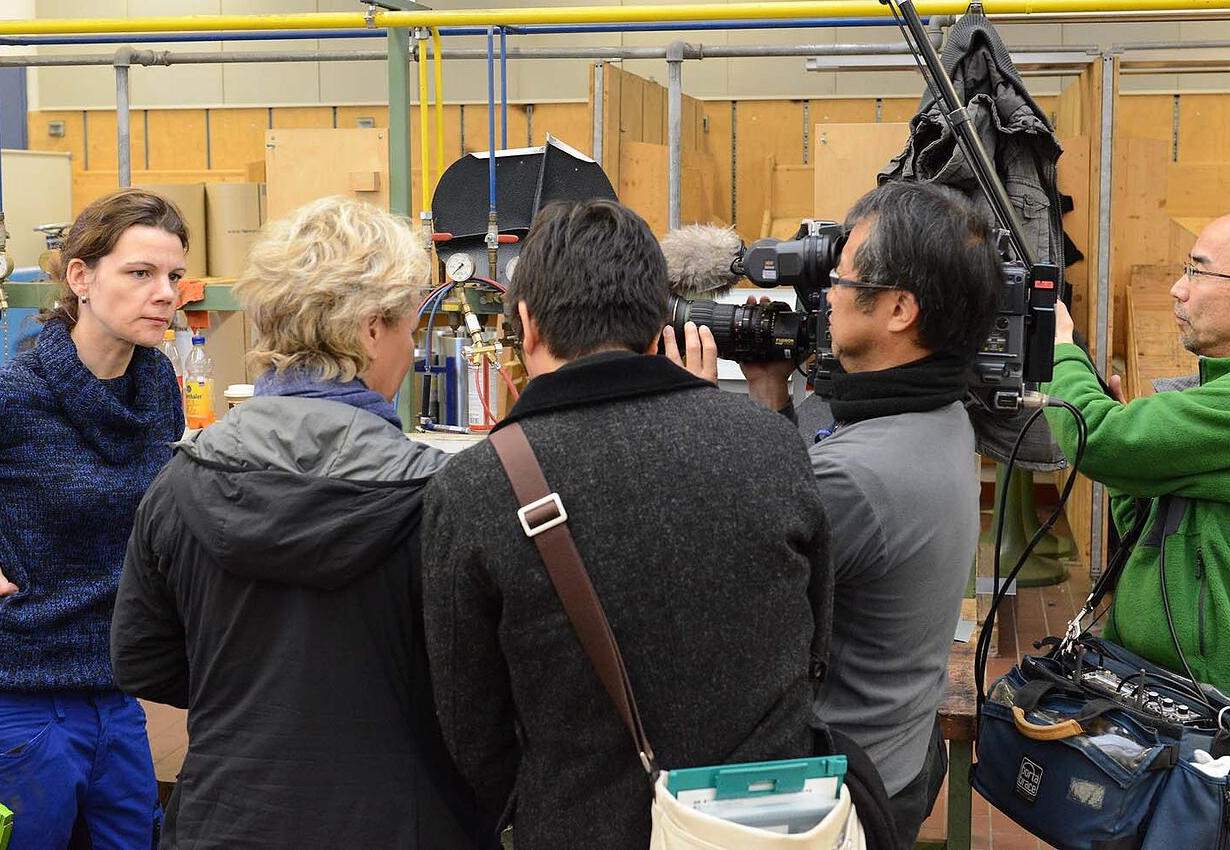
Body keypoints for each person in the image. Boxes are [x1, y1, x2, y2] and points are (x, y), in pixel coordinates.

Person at [421, 198, 832, 849]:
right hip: (754, 831)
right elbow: (815, 647)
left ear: (525, 324)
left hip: (578, 827)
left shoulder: (473, 489)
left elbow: (469, 730)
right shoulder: (774, 445)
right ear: (657, 325)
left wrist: (551, 802)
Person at [112, 197, 493, 849]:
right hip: (402, 823)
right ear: (373, 330)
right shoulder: (441, 498)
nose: (410, 344)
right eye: (407, 324)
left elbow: (143, 662)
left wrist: (251, 696)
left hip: (224, 822)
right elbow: (483, 693)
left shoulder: (179, 484)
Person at [0, 188, 188, 847]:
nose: (164, 293)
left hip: (114, 697)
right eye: (140, 273)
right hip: (10, 702)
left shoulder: (156, 387)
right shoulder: (2, 396)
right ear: (80, 277)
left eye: (174, 276)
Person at [707, 181, 1003, 849]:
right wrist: (768, 393)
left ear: (898, 308)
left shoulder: (860, 475)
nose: (826, 296)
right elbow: (796, 512)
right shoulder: (939, 415)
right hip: (898, 750)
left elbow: (730, 587)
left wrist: (686, 418)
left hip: (836, 787)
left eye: (840, 278)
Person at [1045, 209, 1230, 850]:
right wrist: (1135, 463)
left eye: (1198, 272)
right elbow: (1140, 534)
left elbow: (1094, 440)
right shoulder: (1220, 399)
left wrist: (1062, 353)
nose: (1179, 290)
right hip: (1174, 718)